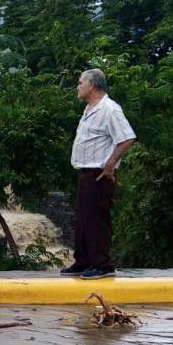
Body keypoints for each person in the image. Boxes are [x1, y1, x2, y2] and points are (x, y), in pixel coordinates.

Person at [61, 68, 136, 280]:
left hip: (99, 173)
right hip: (86, 172)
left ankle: (102, 265)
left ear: (92, 85)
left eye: (80, 82)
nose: (78, 86)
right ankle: (83, 261)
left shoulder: (110, 109)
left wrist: (111, 163)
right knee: (83, 219)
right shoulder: (89, 109)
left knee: (97, 219)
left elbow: (127, 137)